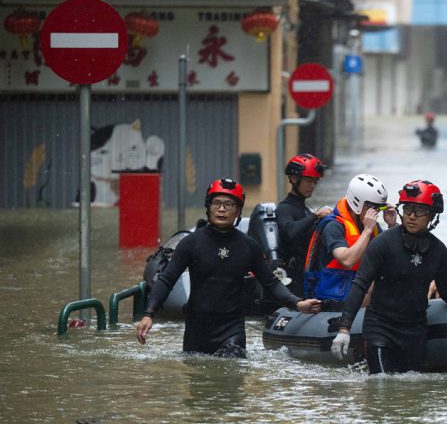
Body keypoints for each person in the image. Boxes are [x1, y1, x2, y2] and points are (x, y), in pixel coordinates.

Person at [329, 180, 447, 374]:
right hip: (381, 326)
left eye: (419, 211)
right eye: (407, 209)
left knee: (412, 389)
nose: (411, 216)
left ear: (431, 216)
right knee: (380, 385)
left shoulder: (437, 250)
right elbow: (360, 284)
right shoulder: (383, 243)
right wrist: (344, 329)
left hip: (415, 330)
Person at [136, 178, 320, 358]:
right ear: (208, 207)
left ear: (238, 210)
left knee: (231, 376)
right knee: (199, 382)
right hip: (196, 329)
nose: (222, 209)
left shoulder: (248, 246)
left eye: (229, 204)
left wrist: (297, 303)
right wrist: (148, 314)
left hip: (232, 329)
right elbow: (167, 279)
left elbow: (271, 283)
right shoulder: (191, 243)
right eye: (217, 203)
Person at [304, 174, 398, 310]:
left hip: (355, 290)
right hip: (331, 297)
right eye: (374, 207)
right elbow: (347, 260)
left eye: (380, 208)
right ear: (357, 203)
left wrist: (392, 226)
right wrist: (367, 231)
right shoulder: (334, 226)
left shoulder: (371, 226)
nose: (376, 212)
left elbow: (394, 257)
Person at [274, 153, 331, 296]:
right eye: (308, 180)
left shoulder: (305, 209)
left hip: (309, 276)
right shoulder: (284, 208)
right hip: (293, 280)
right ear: (294, 178)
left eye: (315, 182)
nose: (312, 186)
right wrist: (316, 215)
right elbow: (290, 232)